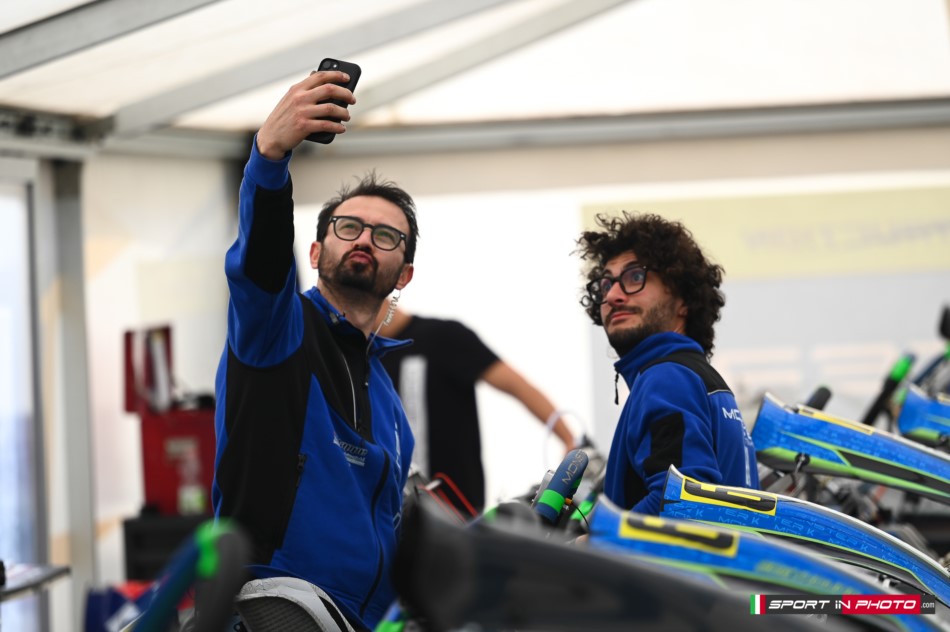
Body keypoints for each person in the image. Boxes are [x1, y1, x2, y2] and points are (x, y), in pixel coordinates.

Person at [211, 69, 417, 631]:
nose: (364, 239)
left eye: (386, 235)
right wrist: (268, 158)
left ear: (405, 274)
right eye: (348, 227)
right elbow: (260, 265)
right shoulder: (280, 330)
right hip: (274, 613)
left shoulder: (390, 402)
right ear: (316, 250)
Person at [574, 211, 758, 516]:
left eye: (635, 277)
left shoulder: (667, 378)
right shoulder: (698, 379)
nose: (614, 295)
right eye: (606, 284)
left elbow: (682, 501)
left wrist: (596, 537)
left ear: (683, 300)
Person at [377, 308, 576, 514]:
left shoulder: (443, 337)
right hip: (390, 516)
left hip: (460, 514)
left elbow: (517, 386)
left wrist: (569, 440)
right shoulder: (363, 358)